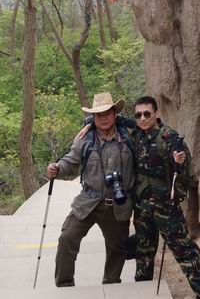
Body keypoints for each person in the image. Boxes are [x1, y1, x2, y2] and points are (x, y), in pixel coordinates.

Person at [81, 95, 200, 299]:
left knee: (184, 251)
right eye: (138, 115)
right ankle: (143, 292)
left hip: (166, 208)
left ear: (156, 114)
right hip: (142, 207)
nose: (142, 118)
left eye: (147, 114)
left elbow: (186, 174)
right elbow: (110, 119)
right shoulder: (135, 133)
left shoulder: (170, 138)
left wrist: (176, 164)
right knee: (144, 253)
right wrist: (89, 124)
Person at [47, 92, 135, 287]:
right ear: (93, 118)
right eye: (98, 115)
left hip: (118, 204)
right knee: (67, 238)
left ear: (115, 114)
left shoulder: (129, 137)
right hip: (88, 201)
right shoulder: (85, 139)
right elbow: (70, 162)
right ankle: (64, 284)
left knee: (116, 249)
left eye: (107, 113)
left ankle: (111, 284)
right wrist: (57, 168)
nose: (103, 118)